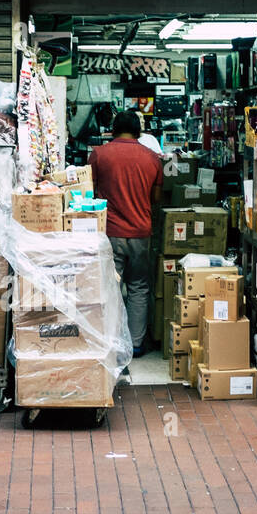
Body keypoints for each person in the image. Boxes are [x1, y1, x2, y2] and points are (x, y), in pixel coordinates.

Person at [90, 110, 163, 356]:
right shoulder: (152, 158)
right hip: (141, 232)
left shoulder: (99, 154)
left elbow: (88, 191)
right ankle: (135, 344)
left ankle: (110, 342)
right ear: (138, 131)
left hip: (110, 232)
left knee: (109, 288)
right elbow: (155, 198)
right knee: (139, 286)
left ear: (112, 128)